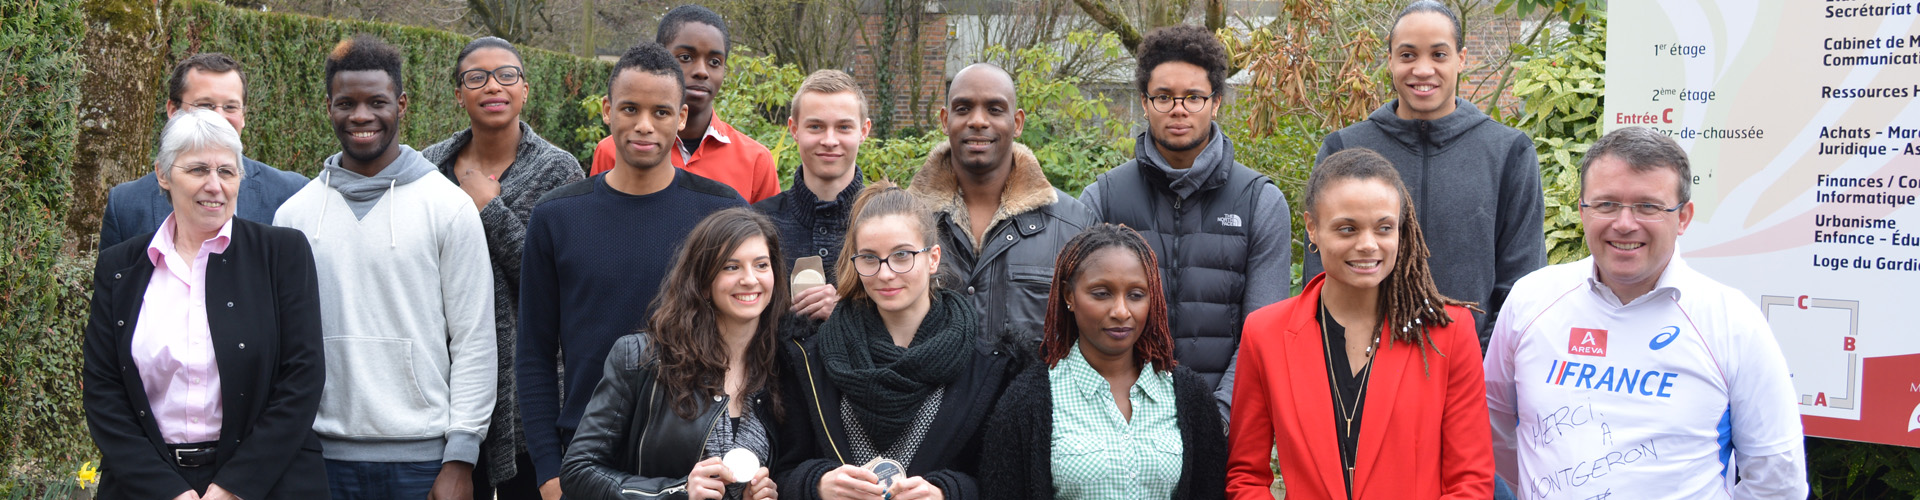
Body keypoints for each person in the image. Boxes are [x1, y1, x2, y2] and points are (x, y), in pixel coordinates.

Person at [1484, 127, 1808, 500]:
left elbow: (1777, 479)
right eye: (1606, 204)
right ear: (1582, 211)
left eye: (1648, 206)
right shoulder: (1532, 298)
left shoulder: (1732, 321)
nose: (1624, 223)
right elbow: (1495, 431)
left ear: (1683, 217)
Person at [517, 40, 749, 500]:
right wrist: (548, 469)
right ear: (607, 110)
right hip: (585, 460)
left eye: (661, 112)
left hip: (695, 458)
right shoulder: (557, 217)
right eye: (629, 109)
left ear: (681, 117)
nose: (645, 125)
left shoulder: (719, 212)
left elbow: (750, 338)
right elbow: (534, 355)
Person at [274, 34, 496, 500]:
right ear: (328, 107)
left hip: (423, 462)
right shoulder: (293, 216)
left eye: (377, 101)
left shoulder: (449, 208)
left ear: (401, 104)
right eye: (345, 103)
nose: (361, 116)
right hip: (317, 459)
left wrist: (460, 458)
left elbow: (475, 339)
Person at [83, 109, 328, 500]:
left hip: (268, 484)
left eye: (227, 172)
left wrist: (231, 489)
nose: (214, 186)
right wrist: (168, 491)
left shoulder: (282, 253)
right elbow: (103, 389)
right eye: (198, 170)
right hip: (145, 487)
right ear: (163, 175)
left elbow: (302, 378)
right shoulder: (121, 267)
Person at [1227, 149, 1493, 500]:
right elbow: (1245, 476)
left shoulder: (1449, 333)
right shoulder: (1265, 333)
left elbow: (1470, 482)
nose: (1368, 245)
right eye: (1347, 228)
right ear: (1312, 228)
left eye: (1384, 228)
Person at [1077, 25, 1292, 419]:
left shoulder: (1260, 202)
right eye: (1164, 97)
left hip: (1224, 422)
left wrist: (1219, 417)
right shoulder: (1102, 199)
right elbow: (1078, 322)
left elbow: (1262, 333)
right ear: (1144, 103)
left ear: (1216, 103)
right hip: (1117, 424)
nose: (1178, 109)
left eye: (1193, 97)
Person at [1308, 0, 1545, 350]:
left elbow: (1522, 282)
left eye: (1438, 55)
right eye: (1407, 55)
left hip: (1471, 369)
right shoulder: (1343, 149)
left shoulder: (1508, 152)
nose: (1422, 69)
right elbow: (1320, 272)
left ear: (1461, 59)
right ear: (1389, 59)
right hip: (1362, 366)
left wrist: (1480, 360)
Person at [774, 181, 1018, 500]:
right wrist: (816, 484)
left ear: (932, 259)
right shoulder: (812, 356)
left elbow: (1000, 482)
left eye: (902, 255)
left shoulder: (986, 364)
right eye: (870, 258)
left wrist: (948, 493)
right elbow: (782, 471)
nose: (886, 273)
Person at [419, 36, 587, 499]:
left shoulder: (559, 171)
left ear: (525, 89)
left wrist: (491, 209)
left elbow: (556, 284)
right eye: (476, 77)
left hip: (530, 389)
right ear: (458, 94)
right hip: (446, 383)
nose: (493, 85)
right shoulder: (426, 169)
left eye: (506, 75)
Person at [979, 223, 1227, 500]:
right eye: (1101, 293)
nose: (1121, 311)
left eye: (1136, 295)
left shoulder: (1189, 396)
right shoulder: (1028, 401)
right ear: (1069, 295)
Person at [560, 207, 787, 500]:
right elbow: (578, 471)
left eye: (761, 265)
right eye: (731, 267)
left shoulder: (780, 367)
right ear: (704, 282)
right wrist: (677, 491)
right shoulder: (642, 359)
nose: (750, 279)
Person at [908, 63, 1095, 342]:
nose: (978, 121)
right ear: (945, 120)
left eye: (995, 109)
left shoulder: (1073, 226)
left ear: (1017, 123)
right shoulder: (904, 221)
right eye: (963, 109)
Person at [100, 52, 309, 250]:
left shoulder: (291, 193)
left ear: (244, 116)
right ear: (173, 111)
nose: (219, 117)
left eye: (230, 107)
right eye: (205, 105)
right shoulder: (127, 204)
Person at [587, 5, 780, 203]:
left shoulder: (756, 160)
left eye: (714, 62)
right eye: (686, 57)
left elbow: (767, 232)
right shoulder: (614, 150)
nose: (701, 71)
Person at [753, 69, 870, 321]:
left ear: (864, 130)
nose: (829, 140)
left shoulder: (892, 219)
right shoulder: (758, 222)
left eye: (844, 127)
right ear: (794, 129)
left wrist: (845, 314)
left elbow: (914, 317)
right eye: (815, 126)